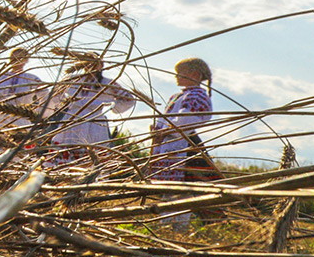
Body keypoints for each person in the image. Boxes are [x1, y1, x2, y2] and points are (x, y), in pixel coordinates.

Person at [149, 57, 216, 226]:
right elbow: (169, 120)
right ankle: (165, 224)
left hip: (184, 147)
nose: (176, 77)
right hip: (169, 145)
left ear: (194, 74)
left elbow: (186, 122)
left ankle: (178, 226)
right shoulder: (178, 96)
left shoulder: (197, 96)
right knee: (168, 191)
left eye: (180, 73)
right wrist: (158, 130)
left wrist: (165, 131)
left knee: (182, 190)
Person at [49, 56, 136, 164]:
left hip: (94, 121)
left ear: (101, 66)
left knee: (93, 154)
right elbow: (54, 95)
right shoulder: (72, 79)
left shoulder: (107, 83)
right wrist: (63, 104)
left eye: (95, 63)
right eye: (88, 62)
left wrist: (110, 105)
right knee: (65, 151)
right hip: (72, 119)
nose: (91, 66)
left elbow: (129, 99)